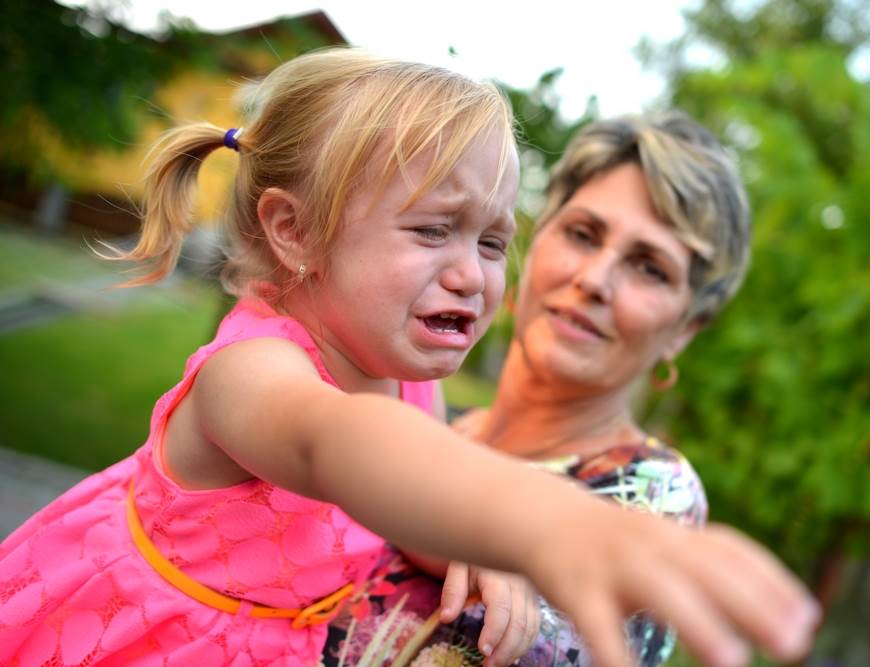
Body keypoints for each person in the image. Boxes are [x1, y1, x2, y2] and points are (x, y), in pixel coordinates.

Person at [0, 48, 816, 667]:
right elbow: (342, 446)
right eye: (432, 229)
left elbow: (386, 498)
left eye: (494, 240)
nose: (471, 272)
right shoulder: (249, 375)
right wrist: (539, 525)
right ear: (296, 230)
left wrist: (452, 541)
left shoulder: (405, 377)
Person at [324, 112, 808, 666]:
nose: (595, 280)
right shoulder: (421, 420)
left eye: (649, 268)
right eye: (582, 234)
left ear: (684, 330)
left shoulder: (647, 496)